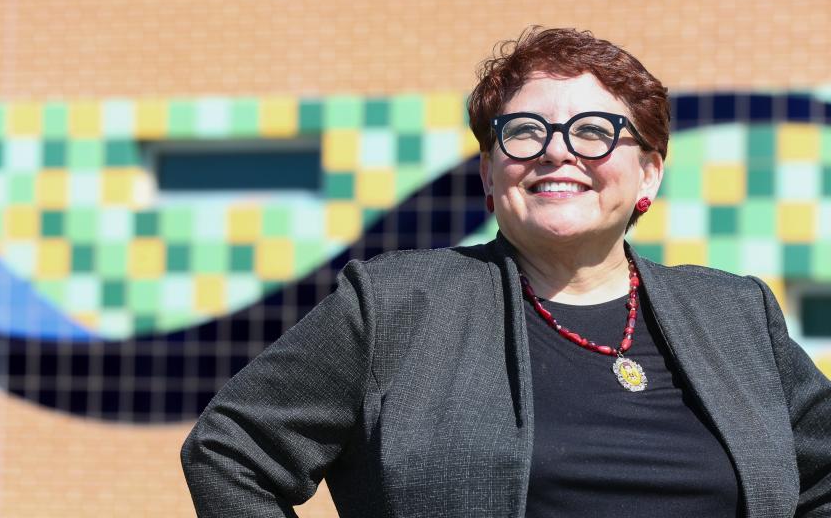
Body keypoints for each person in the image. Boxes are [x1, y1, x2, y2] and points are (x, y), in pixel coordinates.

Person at [181, 27, 831, 517]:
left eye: (595, 131)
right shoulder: (394, 307)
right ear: (491, 174)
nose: (557, 152)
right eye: (524, 132)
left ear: (649, 172)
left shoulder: (735, 313)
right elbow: (231, 451)